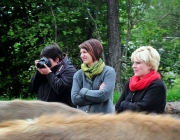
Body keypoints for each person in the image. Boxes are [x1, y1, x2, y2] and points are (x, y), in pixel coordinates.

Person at [115, 46, 166, 114]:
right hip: (128, 123)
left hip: (148, 124)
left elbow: (143, 109)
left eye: (138, 63)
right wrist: (129, 106)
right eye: (133, 62)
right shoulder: (130, 83)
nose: (133, 66)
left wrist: (124, 104)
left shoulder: (157, 85)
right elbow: (118, 107)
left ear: (150, 65)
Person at [71, 39, 116, 114]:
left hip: (103, 120)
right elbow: (75, 99)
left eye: (84, 52)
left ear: (95, 52)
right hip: (83, 120)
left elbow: (104, 95)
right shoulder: (78, 74)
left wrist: (83, 92)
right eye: (81, 53)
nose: (82, 55)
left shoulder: (109, 72)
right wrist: (97, 94)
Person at [30, 43, 77, 107]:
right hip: (44, 110)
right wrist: (39, 71)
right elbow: (33, 87)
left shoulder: (69, 70)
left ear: (57, 59)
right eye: (43, 59)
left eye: (47, 59)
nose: (45, 61)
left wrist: (49, 74)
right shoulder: (48, 69)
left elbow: (61, 89)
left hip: (61, 113)